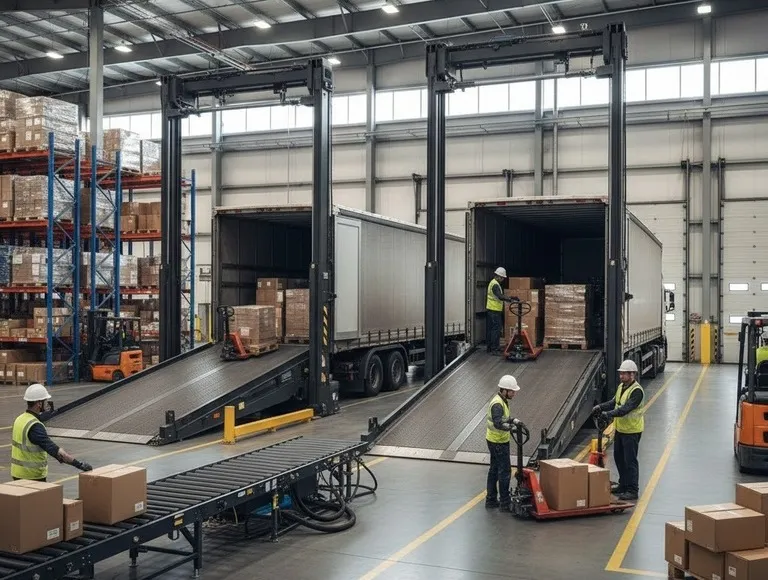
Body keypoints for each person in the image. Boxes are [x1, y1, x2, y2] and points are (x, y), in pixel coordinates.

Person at [11, 384, 92, 481]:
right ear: (39, 404)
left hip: (17, 473)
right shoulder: (35, 426)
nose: (47, 404)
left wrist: (41, 417)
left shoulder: (20, 419)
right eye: (45, 401)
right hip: (32, 476)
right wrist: (79, 464)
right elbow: (56, 451)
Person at [593, 360, 644, 501]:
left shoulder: (637, 391)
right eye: (620, 373)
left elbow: (625, 409)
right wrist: (600, 407)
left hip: (632, 431)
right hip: (621, 430)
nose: (621, 376)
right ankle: (623, 485)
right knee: (619, 458)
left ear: (632, 374)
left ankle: (633, 489)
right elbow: (614, 402)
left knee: (630, 461)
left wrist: (607, 414)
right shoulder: (622, 386)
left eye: (624, 374)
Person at [485, 374, 521, 511]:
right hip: (498, 442)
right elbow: (498, 422)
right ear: (505, 390)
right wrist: (511, 427)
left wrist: (513, 420)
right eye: (512, 391)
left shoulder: (500, 400)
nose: (514, 393)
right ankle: (505, 503)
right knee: (504, 471)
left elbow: (503, 418)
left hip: (493, 440)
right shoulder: (498, 404)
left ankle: (491, 500)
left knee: (494, 470)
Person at [486, 267, 514, 355]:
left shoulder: (493, 283)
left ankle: (490, 348)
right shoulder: (495, 284)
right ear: (499, 276)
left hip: (491, 310)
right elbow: (500, 296)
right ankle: (495, 349)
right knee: (496, 330)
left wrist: (510, 298)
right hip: (494, 310)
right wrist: (510, 299)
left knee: (491, 329)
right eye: (502, 278)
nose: (502, 280)